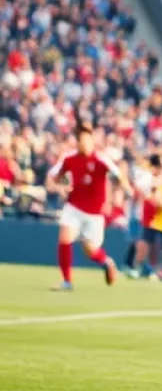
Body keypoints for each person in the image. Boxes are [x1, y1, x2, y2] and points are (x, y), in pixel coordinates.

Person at [46, 119, 129, 290]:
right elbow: (51, 179)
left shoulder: (101, 159)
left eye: (86, 138)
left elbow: (118, 174)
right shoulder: (69, 158)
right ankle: (67, 281)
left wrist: (125, 189)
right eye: (80, 139)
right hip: (74, 207)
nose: (83, 143)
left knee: (91, 250)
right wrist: (60, 187)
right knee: (64, 238)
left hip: (94, 213)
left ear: (91, 140)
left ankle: (107, 262)